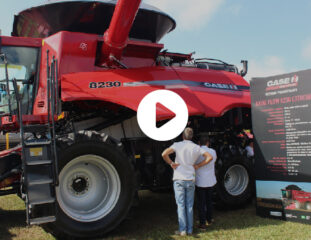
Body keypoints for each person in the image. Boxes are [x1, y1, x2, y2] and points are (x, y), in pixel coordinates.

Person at [162, 128, 212, 236]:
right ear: (192, 136)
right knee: (189, 206)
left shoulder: (177, 145)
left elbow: (164, 154)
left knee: (181, 205)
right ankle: (190, 230)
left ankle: (182, 230)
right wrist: (198, 165)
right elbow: (209, 157)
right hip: (190, 179)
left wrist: (171, 163)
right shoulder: (196, 147)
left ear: (183, 136)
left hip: (179, 178)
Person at [195, 135, 217, 229]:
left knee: (201, 203)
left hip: (200, 180)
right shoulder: (213, 151)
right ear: (208, 142)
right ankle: (210, 219)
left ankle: (202, 223)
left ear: (199, 143)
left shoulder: (197, 152)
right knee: (209, 201)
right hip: (211, 179)